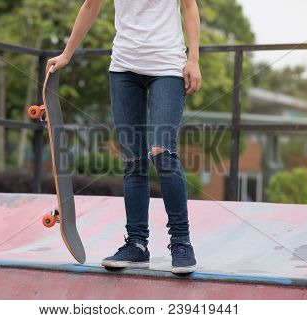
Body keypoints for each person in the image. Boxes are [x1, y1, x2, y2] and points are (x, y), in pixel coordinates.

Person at [46, 0, 202, 274]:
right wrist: (67, 54)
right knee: (134, 161)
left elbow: (189, 6)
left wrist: (194, 59)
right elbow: (90, 6)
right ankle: (137, 244)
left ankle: (181, 242)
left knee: (162, 153)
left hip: (167, 67)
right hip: (123, 69)